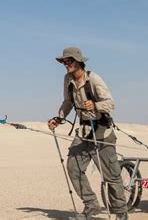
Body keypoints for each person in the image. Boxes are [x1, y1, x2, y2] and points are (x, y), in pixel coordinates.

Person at [47, 47, 128, 220]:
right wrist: (58, 118)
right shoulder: (67, 80)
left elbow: (110, 103)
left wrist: (96, 106)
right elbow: (68, 102)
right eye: (64, 62)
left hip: (101, 131)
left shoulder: (93, 79)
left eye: (69, 61)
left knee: (111, 176)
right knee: (73, 168)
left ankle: (121, 212)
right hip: (83, 131)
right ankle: (91, 205)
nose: (65, 64)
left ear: (78, 61)